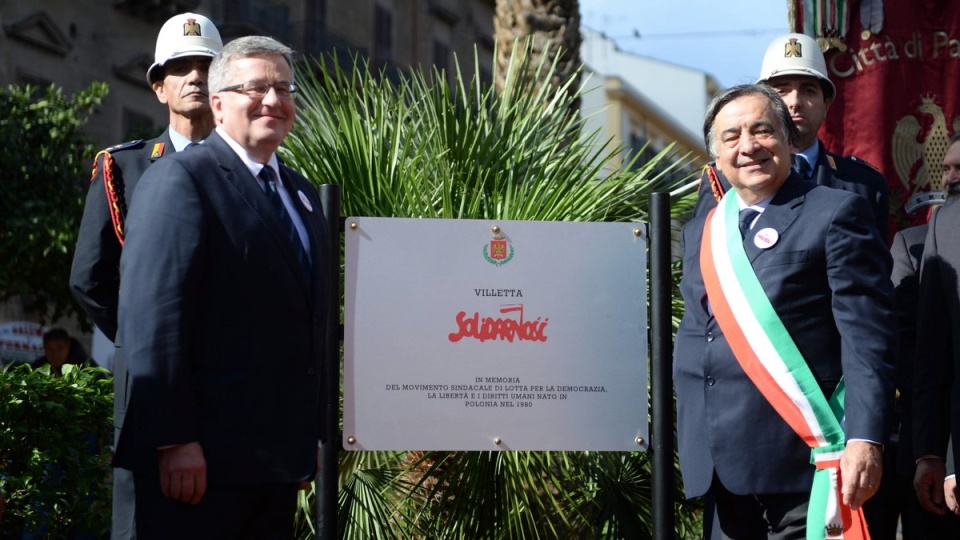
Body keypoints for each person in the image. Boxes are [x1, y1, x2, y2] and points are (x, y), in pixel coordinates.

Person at [114, 35, 329, 538]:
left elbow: (304, 321)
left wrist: (307, 436)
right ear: (218, 102)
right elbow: (153, 321)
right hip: (200, 467)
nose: (273, 100)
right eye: (255, 88)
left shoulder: (300, 194)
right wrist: (174, 440)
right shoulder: (181, 180)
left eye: (283, 88)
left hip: (274, 466)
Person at [674, 83, 897, 538]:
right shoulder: (702, 229)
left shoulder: (835, 212)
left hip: (803, 463)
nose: (748, 146)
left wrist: (865, 437)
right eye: (731, 137)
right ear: (715, 155)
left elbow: (867, 339)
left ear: (788, 139)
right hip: (720, 467)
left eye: (762, 131)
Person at [67, 12, 222, 539]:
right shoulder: (124, 169)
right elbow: (90, 278)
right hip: (154, 393)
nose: (195, 76)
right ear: (159, 86)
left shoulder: (255, 174)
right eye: (181, 67)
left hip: (235, 395)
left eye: (207, 65)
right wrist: (146, 343)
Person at [693, 32, 889, 242]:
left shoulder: (863, 183)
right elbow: (706, 259)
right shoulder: (725, 178)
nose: (795, 102)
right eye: (782, 91)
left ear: (826, 105)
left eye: (809, 91)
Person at [912, 133, 960, 527]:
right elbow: (934, 352)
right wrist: (933, 454)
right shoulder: (945, 225)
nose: (949, 180)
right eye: (948, 169)